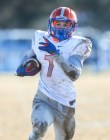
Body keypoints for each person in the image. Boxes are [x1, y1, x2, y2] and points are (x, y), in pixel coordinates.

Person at [16, 7, 92, 140]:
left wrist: (56, 54)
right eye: (58, 24)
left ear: (73, 27)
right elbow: (29, 54)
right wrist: (23, 66)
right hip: (44, 96)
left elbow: (74, 75)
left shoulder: (78, 44)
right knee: (39, 127)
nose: (61, 28)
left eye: (65, 24)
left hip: (66, 102)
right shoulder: (41, 38)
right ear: (51, 24)